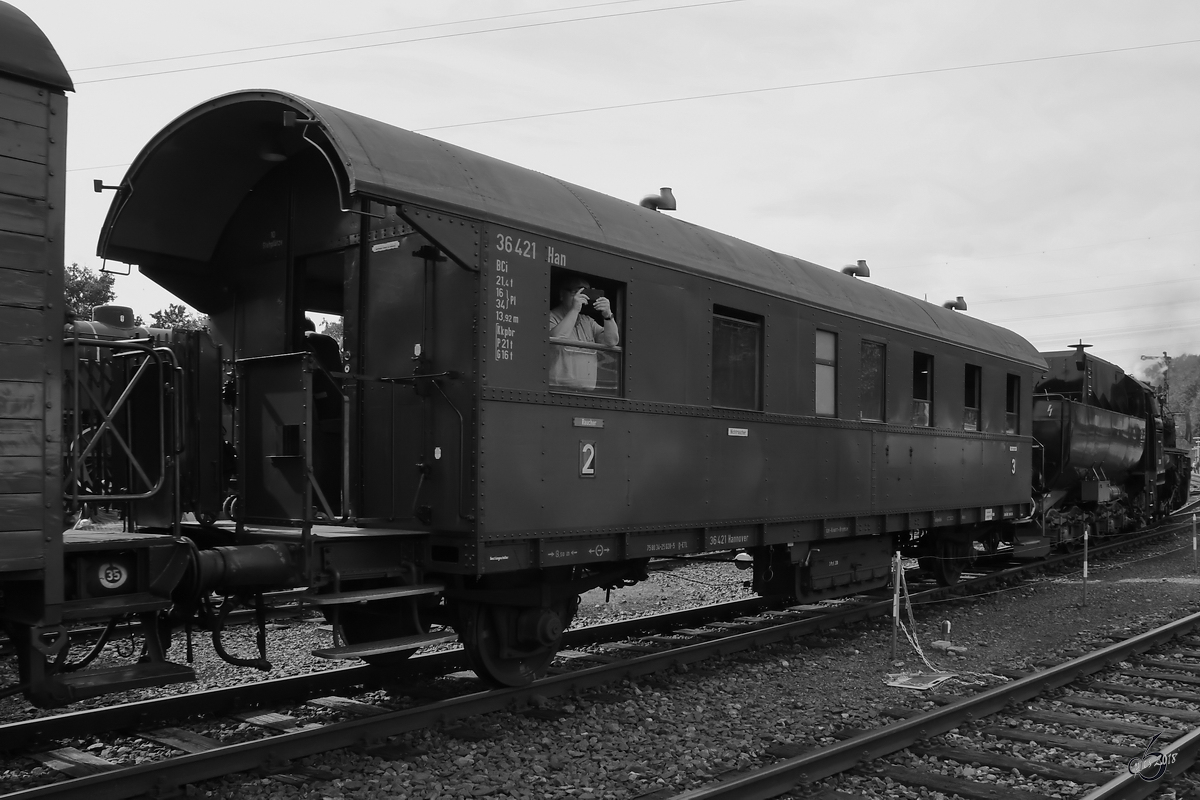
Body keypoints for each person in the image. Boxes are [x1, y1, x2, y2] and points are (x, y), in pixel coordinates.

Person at [549, 275, 618, 391]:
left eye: (584, 292)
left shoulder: (587, 321)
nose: (580, 296)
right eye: (575, 292)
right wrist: (575, 309)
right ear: (562, 294)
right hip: (558, 390)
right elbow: (556, 339)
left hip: (585, 393)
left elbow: (611, 341)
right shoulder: (550, 316)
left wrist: (608, 315)